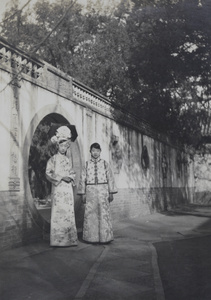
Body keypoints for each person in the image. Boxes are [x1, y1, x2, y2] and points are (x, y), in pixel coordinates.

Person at [77, 142, 117, 244]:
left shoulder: (105, 164)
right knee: (91, 214)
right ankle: (91, 238)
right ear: (90, 151)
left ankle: (105, 237)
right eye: (93, 150)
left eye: (97, 151)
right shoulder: (86, 164)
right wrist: (83, 194)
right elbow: (82, 179)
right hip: (90, 192)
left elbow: (110, 178)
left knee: (104, 213)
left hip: (103, 191)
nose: (95, 153)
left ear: (100, 152)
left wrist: (111, 192)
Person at [46, 126, 78, 247]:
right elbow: (48, 173)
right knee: (59, 212)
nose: (63, 148)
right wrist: (61, 177)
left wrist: (71, 177)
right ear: (57, 146)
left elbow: (73, 172)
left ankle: (69, 239)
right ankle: (57, 240)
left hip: (68, 189)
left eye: (65, 146)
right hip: (58, 189)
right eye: (61, 146)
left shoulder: (68, 160)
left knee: (68, 213)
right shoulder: (53, 159)